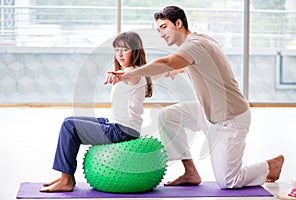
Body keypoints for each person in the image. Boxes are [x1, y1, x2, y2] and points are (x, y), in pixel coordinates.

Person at [109, 6, 284, 189]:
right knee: (167, 116)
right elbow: (200, 64)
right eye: (158, 29)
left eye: (164, 27)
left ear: (178, 23)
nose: (161, 33)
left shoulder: (195, 45)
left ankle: (271, 165)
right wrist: (181, 69)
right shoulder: (198, 40)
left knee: (229, 181)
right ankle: (190, 172)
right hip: (207, 110)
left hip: (230, 117)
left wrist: (128, 74)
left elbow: (167, 63)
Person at [40, 31, 153, 192]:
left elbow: (129, 76)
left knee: (69, 126)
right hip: (115, 124)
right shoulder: (133, 71)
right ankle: (67, 176)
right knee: (69, 121)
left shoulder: (133, 73)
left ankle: (66, 180)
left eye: (125, 50)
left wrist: (119, 75)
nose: (120, 54)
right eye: (117, 49)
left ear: (135, 52)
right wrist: (118, 74)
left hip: (122, 132)